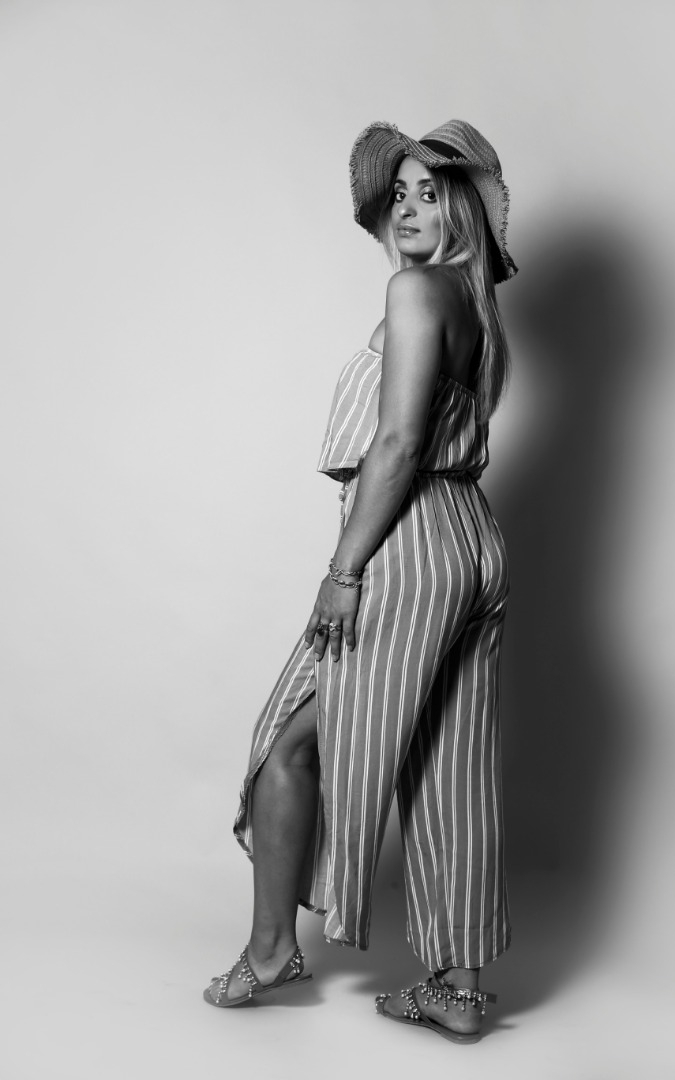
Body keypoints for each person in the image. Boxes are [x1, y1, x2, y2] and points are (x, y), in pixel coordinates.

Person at [204, 119, 518, 1045]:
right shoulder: (475, 307)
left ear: (464, 210)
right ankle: (458, 990)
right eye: (402, 193)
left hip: (409, 543)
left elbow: (400, 442)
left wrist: (345, 569)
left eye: (432, 193)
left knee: (287, 745)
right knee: (448, 765)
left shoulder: (416, 290)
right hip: (474, 541)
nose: (409, 209)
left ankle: (272, 952)